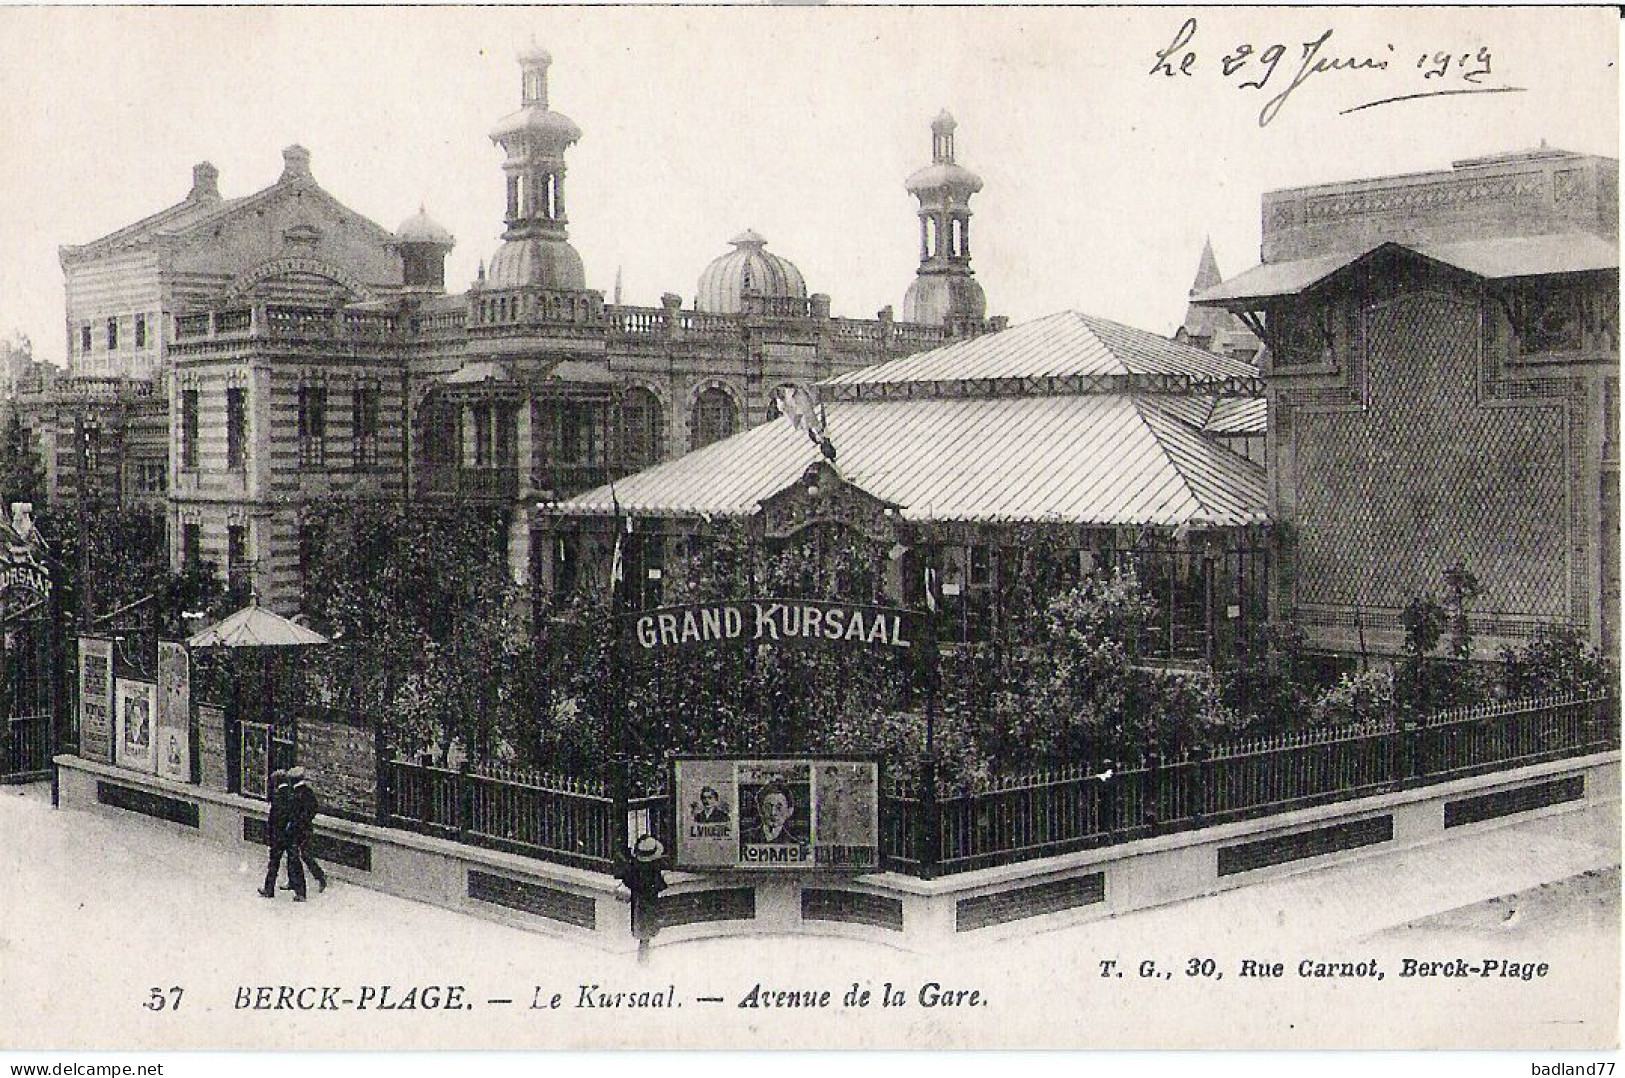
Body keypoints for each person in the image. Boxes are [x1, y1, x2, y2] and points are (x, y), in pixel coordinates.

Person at [617, 834, 667, 965]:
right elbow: (660, 885)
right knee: (648, 923)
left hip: (638, 899)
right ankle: (644, 953)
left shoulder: (636, 867)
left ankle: (643, 952)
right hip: (649, 899)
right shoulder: (653, 869)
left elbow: (628, 879)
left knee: (641, 924)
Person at [259, 770, 306, 901]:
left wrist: (270, 835)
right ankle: (301, 892)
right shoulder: (293, 795)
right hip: (290, 835)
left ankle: (269, 889)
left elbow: (273, 818)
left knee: (273, 863)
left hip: (278, 835)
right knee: (294, 862)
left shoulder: (278, 796)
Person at [282, 767, 328, 894]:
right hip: (297, 828)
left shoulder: (301, 793)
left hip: (302, 829)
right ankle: (292, 881)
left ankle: (320, 876)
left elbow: (309, 811)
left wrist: (299, 821)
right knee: (292, 855)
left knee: (304, 855)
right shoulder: (304, 792)